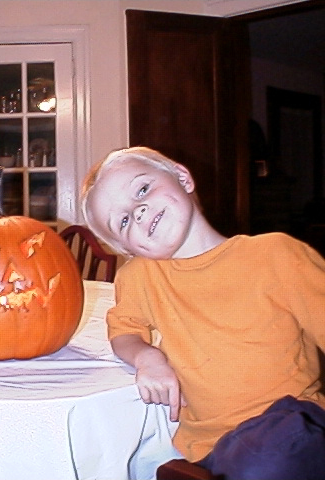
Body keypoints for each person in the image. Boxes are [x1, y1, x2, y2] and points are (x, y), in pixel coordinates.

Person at [81, 146, 325, 479]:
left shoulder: (276, 254)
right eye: (123, 221)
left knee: (266, 458)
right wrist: (145, 356)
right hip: (211, 446)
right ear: (127, 249)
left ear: (182, 178)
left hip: (293, 423)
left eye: (142, 189)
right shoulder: (140, 277)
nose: (138, 211)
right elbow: (123, 329)